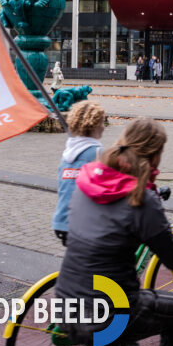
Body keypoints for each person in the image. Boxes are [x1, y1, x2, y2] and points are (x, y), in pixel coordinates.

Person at [55, 118, 173, 346]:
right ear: (155, 155)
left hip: (66, 307)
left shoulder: (89, 180)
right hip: (110, 316)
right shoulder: (141, 198)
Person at [51, 100, 106, 245]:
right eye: (102, 123)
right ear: (93, 125)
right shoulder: (98, 153)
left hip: (61, 221)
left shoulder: (68, 153)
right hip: (83, 224)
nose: (104, 127)